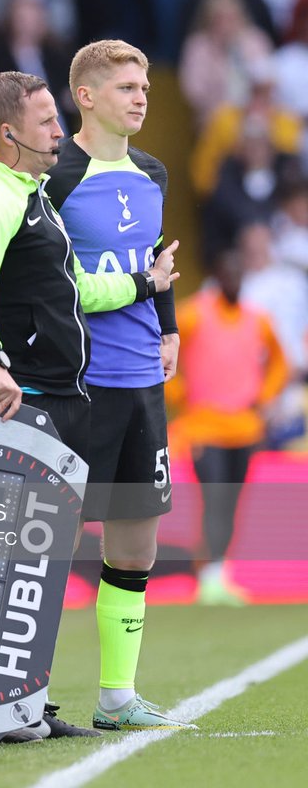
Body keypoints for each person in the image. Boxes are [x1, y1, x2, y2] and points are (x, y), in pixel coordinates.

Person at [0, 70, 178, 741]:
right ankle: (4, 702)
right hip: (40, 396)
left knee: (65, 556)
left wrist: (148, 286)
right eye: (46, 122)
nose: (57, 133)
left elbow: (76, 288)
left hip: (82, 394)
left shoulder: (35, 197)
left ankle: (44, 702)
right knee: (28, 558)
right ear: (10, 132)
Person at [45, 39, 197, 732]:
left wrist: (166, 326)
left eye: (144, 86)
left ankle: (116, 697)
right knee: (49, 543)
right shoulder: (55, 175)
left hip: (141, 382)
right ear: (86, 96)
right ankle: (24, 691)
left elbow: (157, 259)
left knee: (136, 547)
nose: (141, 96)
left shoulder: (153, 172)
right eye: (127, 86)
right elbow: (47, 281)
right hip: (80, 386)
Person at [167, 253, 288, 605]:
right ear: (217, 276)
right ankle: (208, 574)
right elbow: (161, 349)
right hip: (204, 429)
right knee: (215, 499)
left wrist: (264, 396)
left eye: (239, 273)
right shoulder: (194, 313)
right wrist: (180, 394)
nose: (234, 280)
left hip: (244, 430)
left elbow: (281, 361)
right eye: (227, 273)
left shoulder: (257, 320)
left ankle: (218, 571)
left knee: (231, 501)